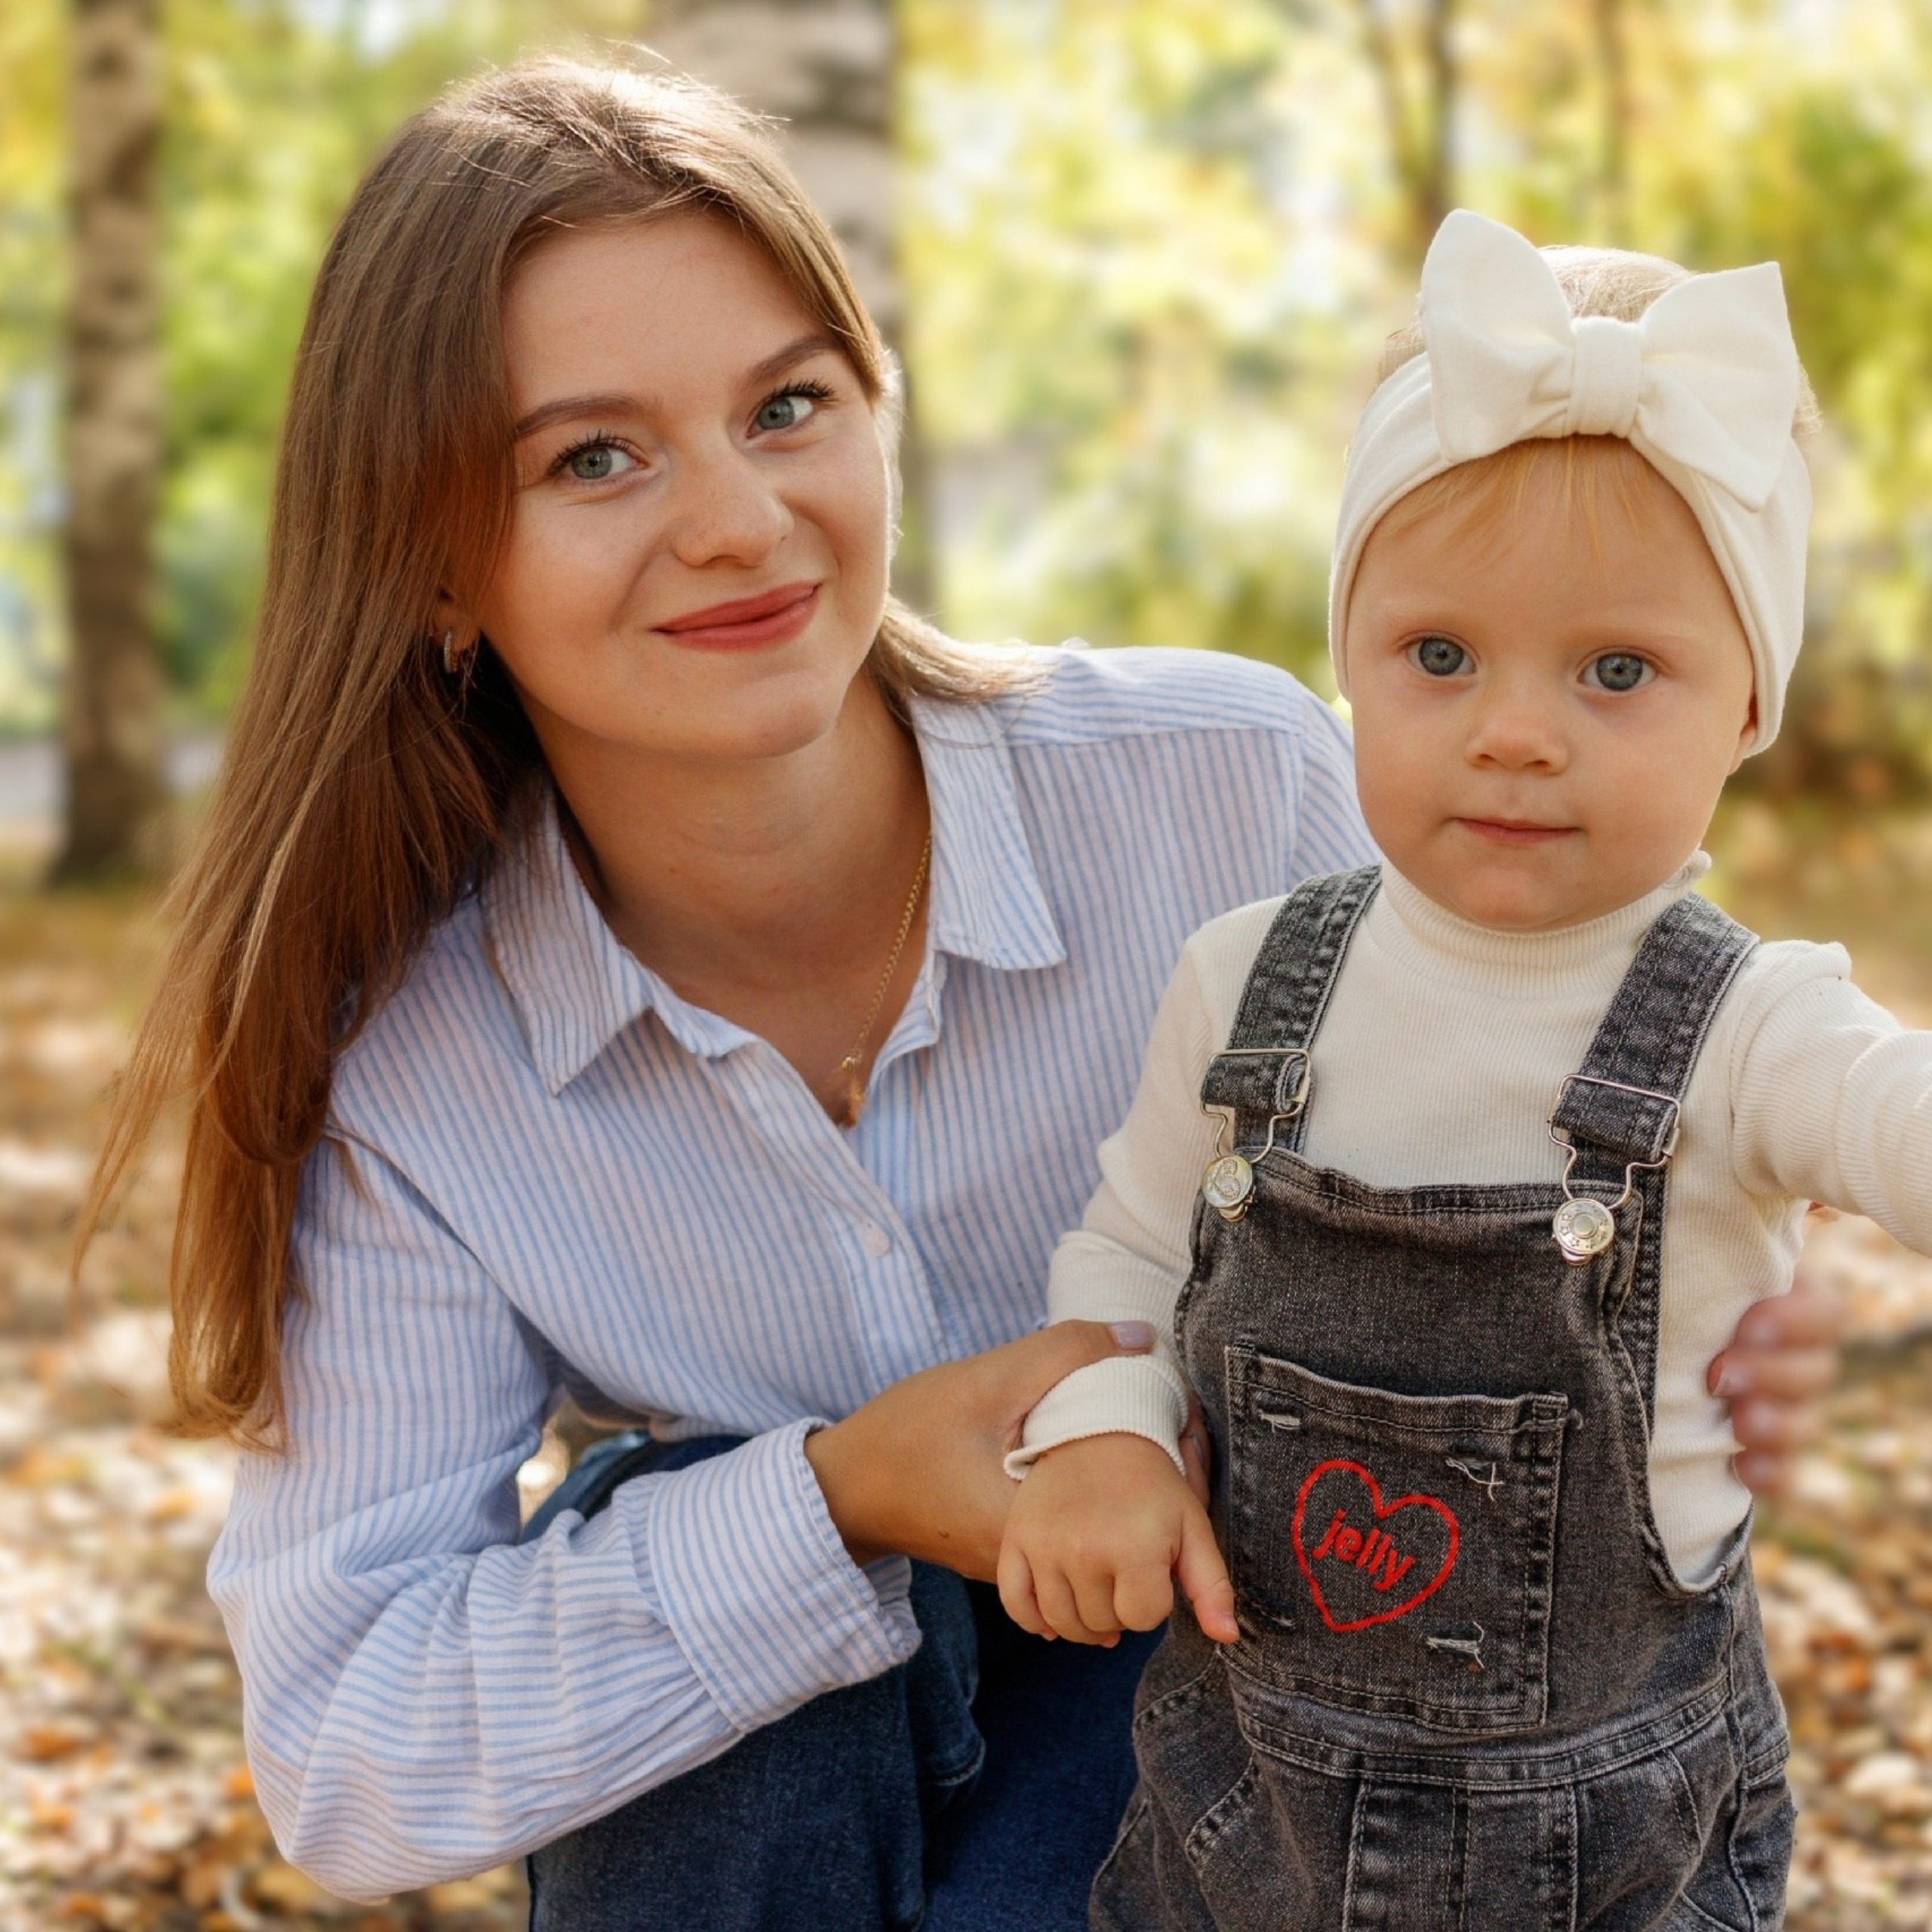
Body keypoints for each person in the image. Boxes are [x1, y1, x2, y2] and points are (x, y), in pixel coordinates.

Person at [78, 60, 1839, 1932]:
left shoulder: (1231, 791)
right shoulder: (421, 1063)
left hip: (1274, 1734)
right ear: (431, 560)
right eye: (593, 455)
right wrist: (839, 1496)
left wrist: (1716, 1310)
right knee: (696, 1569)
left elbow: (1621, 1088)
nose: (741, 520)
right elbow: (352, 1753)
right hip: (770, 1822)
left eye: (787, 406)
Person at [999, 210, 1932, 1929]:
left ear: (1745, 706)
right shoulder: (1242, 978)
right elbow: (1123, 1263)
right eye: (1438, 656)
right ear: (1349, 664)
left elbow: (1896, 1114)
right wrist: (1099, 1429)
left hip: (1604, 1858)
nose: (1513, 728)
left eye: (1615, 669)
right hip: (1235, 1826)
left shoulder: (1743, 1026)